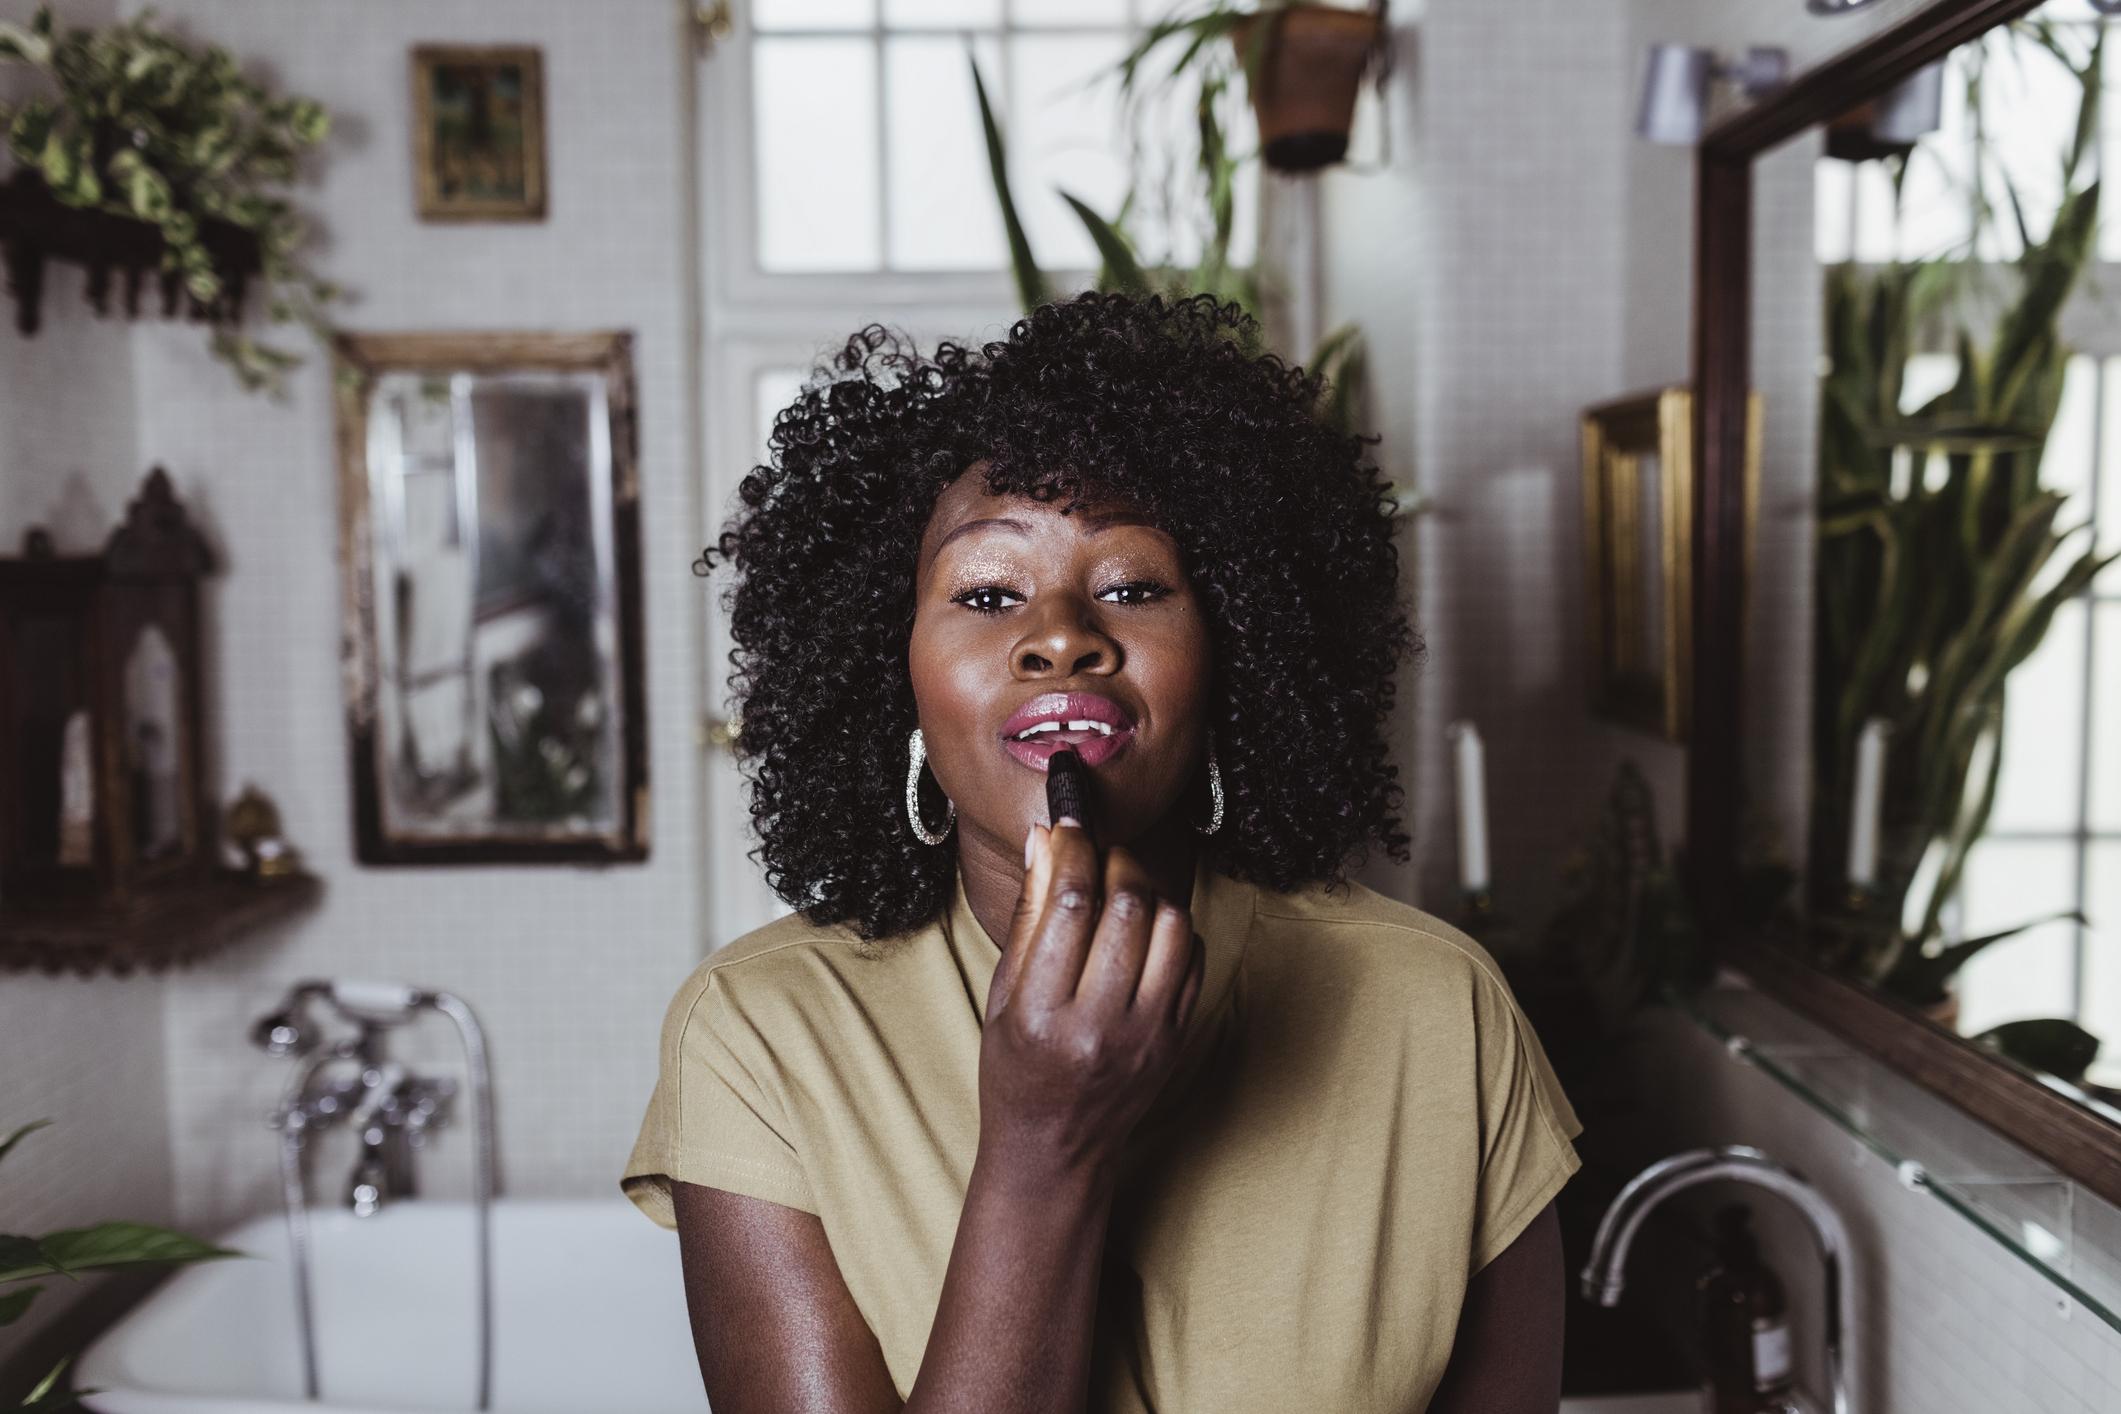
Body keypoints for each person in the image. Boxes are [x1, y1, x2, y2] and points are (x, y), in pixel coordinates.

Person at [625, 295, 1579, 1414]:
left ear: (1236, 652)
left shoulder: (1438, 1008)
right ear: (897, 681)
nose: (1063, 633)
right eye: (987, 593)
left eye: (1131, 586)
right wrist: (1041, 1147)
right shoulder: (758, 1037)